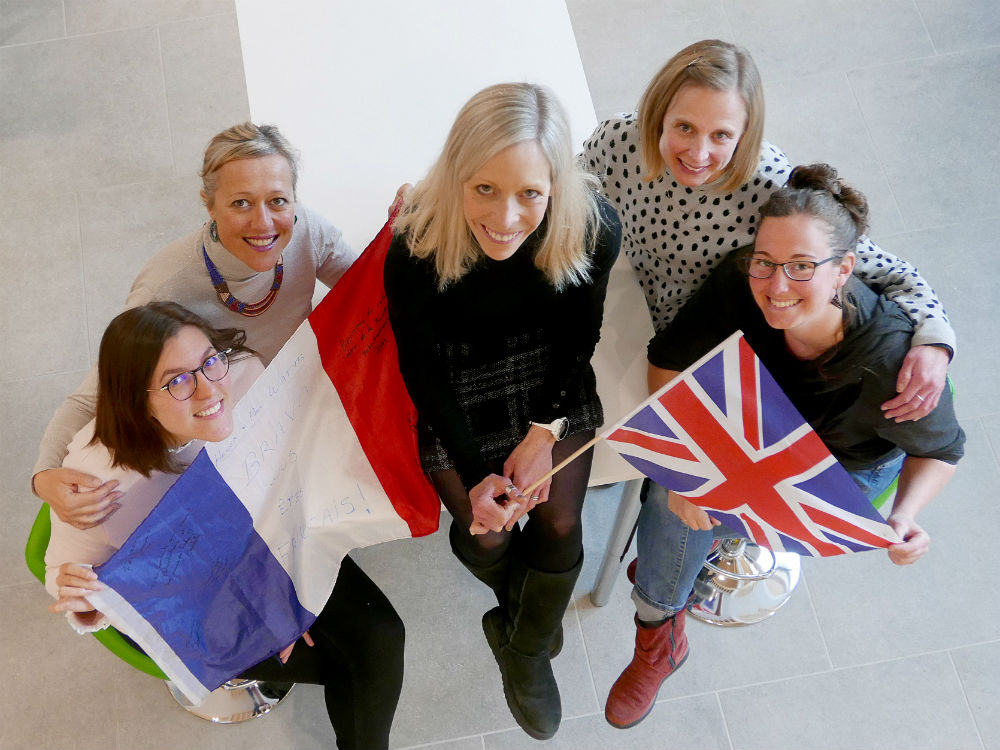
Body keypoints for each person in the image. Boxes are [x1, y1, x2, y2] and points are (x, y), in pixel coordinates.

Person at [604, 164, 965, 729]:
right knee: (671, 496)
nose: (775, 286)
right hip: (753, 433)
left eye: (801, 267)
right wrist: (685, 466)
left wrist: (905, 515)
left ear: (843, 269)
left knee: (674, 520)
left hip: (837, 470)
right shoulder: (739, 280)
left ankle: (659, 613)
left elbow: (940, 450)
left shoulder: (889, 360)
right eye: (766, 262)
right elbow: (668, 360)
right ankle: (663, 617)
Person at [46, 302, 404, 750]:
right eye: (177, 381)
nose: (210, 390)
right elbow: (63, 572)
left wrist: (285, 591)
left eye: (209, 361)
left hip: (270, 548)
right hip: (195, 600)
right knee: (345, 666)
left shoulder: (246, 376)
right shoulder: (100, 481)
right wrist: (88, 603)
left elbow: (288, 479)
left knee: (382, 637)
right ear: (138, 400)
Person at [384, 82, 621, 740]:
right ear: (457, 175)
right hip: (457, 374)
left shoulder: (593, 227)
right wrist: (474, 471)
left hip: (549, 368)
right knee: (487, 527)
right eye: (484, 188)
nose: (506, 217)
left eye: (530, 194)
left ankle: (524, 651)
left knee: (560, 516)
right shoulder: (415, 243)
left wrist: (543, 434)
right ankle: (525, 614)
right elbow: (420, 367)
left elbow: (579, 338)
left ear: (556, 187)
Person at [582, 39, 954, 423]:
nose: (698, 153)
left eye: (721, 135)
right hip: (636, 307)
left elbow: (889, 270)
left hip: (724, 341)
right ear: (659, 113)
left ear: (745, 135)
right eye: (685, 127)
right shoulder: (619, 140)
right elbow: (568, 193)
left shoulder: (768, 185)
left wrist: (935, 343)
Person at [32, 122, 357, 530]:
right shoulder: (165, 288)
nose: (263, 223)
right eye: (241, 203)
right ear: (208, 204)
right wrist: (44, 475)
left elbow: (370, 288)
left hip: (295, 399)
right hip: (222, 425)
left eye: (277, 200)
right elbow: (95, 395)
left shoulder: (306, 229)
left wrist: (409, 227)